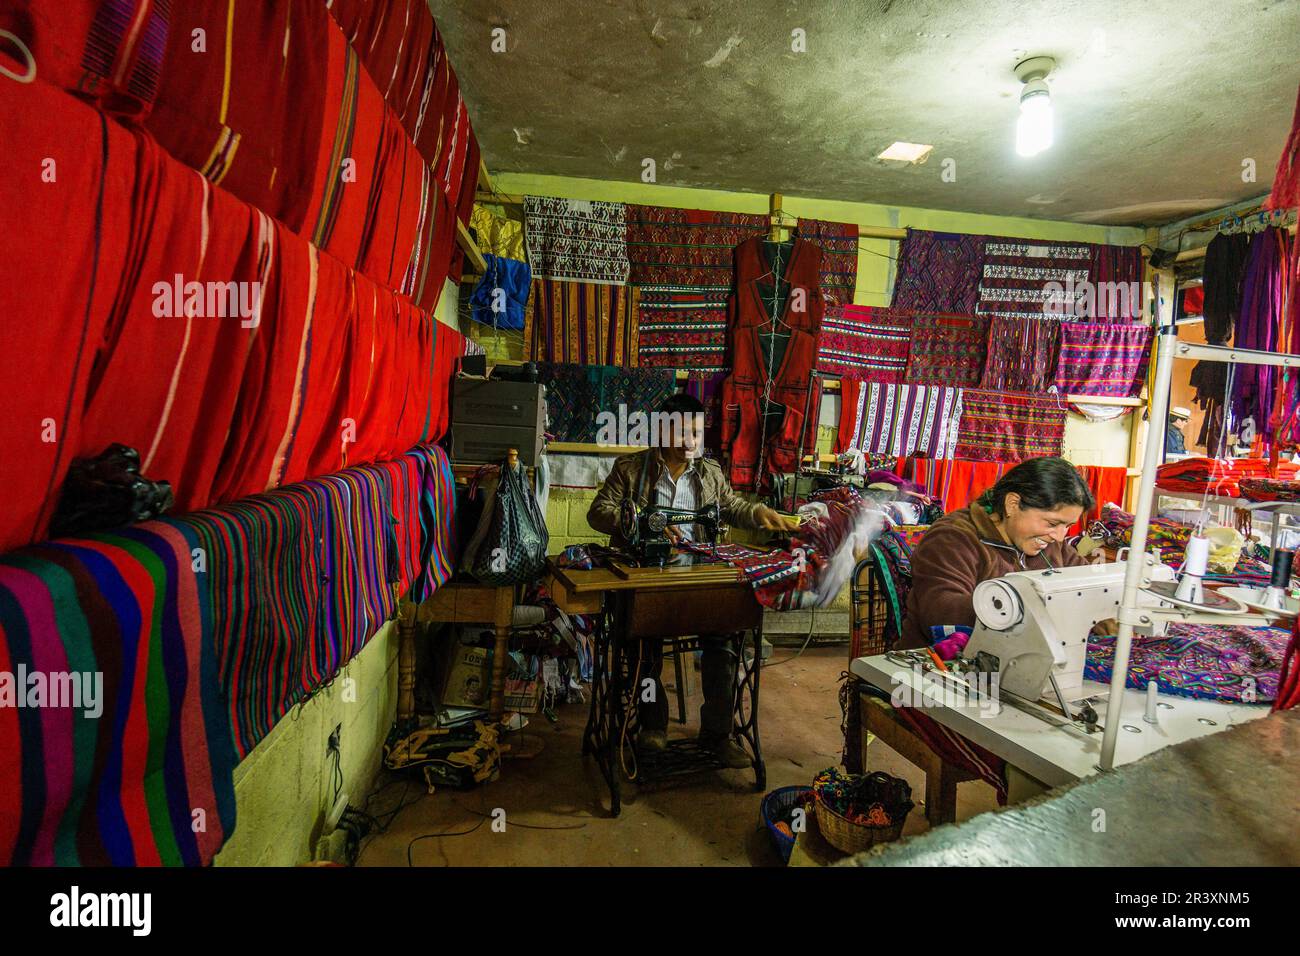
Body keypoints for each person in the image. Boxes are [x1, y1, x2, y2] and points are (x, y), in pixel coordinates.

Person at [587, 393, 800, 766]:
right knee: (644, 650)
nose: (692, 442)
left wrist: (771, 516)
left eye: (697, 434)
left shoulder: (710, 473)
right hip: (649, 581)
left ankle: (718, 734)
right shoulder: (631, 470)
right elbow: (598, 512)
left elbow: (733, 508)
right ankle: (652, 726)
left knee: (725, 644)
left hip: (700, 582)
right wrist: (639, 519)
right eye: (684, 432)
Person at [899, 456, 1100, 650]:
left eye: (1068, 526)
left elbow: (1094, 590)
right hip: (938, 671)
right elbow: (941, 616)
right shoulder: (953, 537)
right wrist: (1027, 604)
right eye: (1053, 523)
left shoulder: (1051, 544)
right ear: (1012, 504)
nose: (1059, 536)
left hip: (1019, 665)